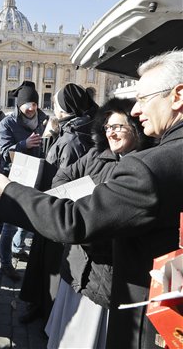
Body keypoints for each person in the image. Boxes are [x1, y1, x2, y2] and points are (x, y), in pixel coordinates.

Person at [0, 50, 183, 348]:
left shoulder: (148, 167)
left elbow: (73, 221)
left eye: (143, 98)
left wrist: (7, 189)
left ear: (177, 96)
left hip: (144, 312)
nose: (136, 110)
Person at [45, 97, 154, 348]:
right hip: (76, 260)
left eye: (119, 127)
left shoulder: (142, 165)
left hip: (106, 270)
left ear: (136, 128)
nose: (112, 133)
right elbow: (62, 178)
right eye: (108, 127)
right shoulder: (95, 154)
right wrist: (81, 204)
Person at [18, 83, 98, 324]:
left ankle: (46, 312)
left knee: (50, 263)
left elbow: (57, 173)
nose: (51, 108)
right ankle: (40, 305)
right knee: (44, 260)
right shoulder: (76, 130)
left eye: (55, 104)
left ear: (64, 109)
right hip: (59, 206)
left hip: (56, 207)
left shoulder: (72, 139)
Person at [0, 81, 48, 280]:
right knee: (9, 224)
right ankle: (5, 263)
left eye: (35, 104)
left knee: (29, 218)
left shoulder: (44, 121)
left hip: (37, 174)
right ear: (19, 105)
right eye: (28, 104)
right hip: (15, 175)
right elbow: (3, 152)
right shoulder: (7, 123)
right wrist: (23, 144)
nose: (32, 108)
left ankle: (18, 247)